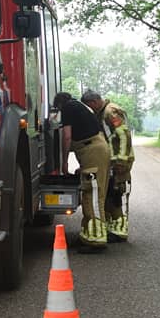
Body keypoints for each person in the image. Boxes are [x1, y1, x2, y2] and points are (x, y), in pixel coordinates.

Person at [52, 91, 110, 251]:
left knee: (93, 195)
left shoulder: (69, 108)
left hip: (93, 151)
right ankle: (87, 236)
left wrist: (64, 163)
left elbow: (67, 137)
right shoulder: (79, 106)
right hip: (94, 151)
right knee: (90, 194)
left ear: (60, 105)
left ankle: (97, 240)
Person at [82, 90, 135, 242]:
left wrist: (122, 160)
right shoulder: (103, 112)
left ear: (93, 103)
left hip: (119, 161)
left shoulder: (110, 112)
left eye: (89, 106)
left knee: (119, 192)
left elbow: (124, 134)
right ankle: (113, 227)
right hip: (112, 160)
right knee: (111, 192)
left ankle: (120, 229)